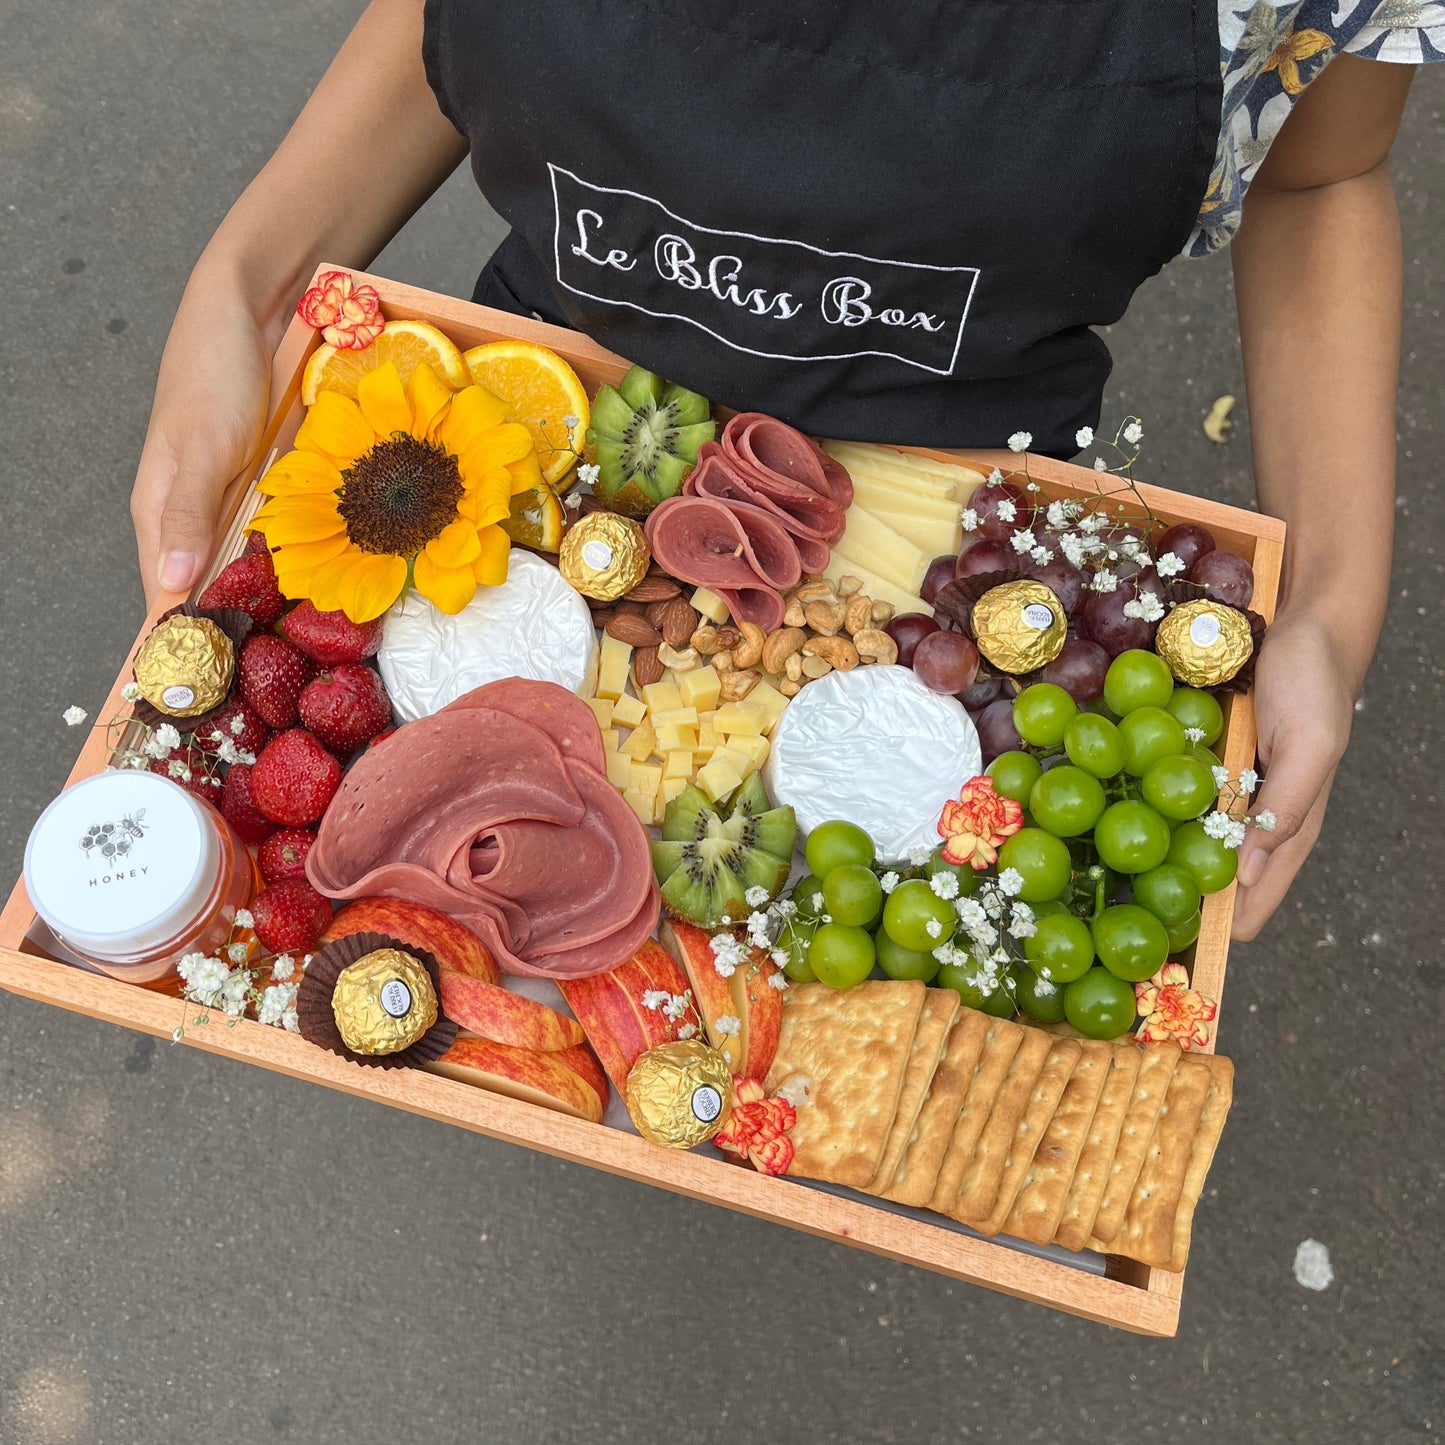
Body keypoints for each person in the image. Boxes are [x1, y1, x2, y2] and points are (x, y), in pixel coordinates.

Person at [128, 0, 1436, 942]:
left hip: (960, 525)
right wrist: (250, 278)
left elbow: (1319, 178)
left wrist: (1325, 599)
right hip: (532, 444)